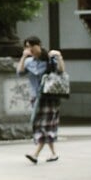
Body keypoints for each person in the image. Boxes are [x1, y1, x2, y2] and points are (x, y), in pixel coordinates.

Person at [17, 35, 65, 163]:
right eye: (27, 47)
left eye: (31, 46)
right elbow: (19, 72)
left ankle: (35, 154)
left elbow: (61, 71)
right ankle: (54, 153)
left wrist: (59, 56)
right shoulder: (29, 62)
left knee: (44, 126)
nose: (30, 49)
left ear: (38, 45)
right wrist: (23, 57)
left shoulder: (49, 59)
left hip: (50, 98)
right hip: (36, 98)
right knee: (39, 125)